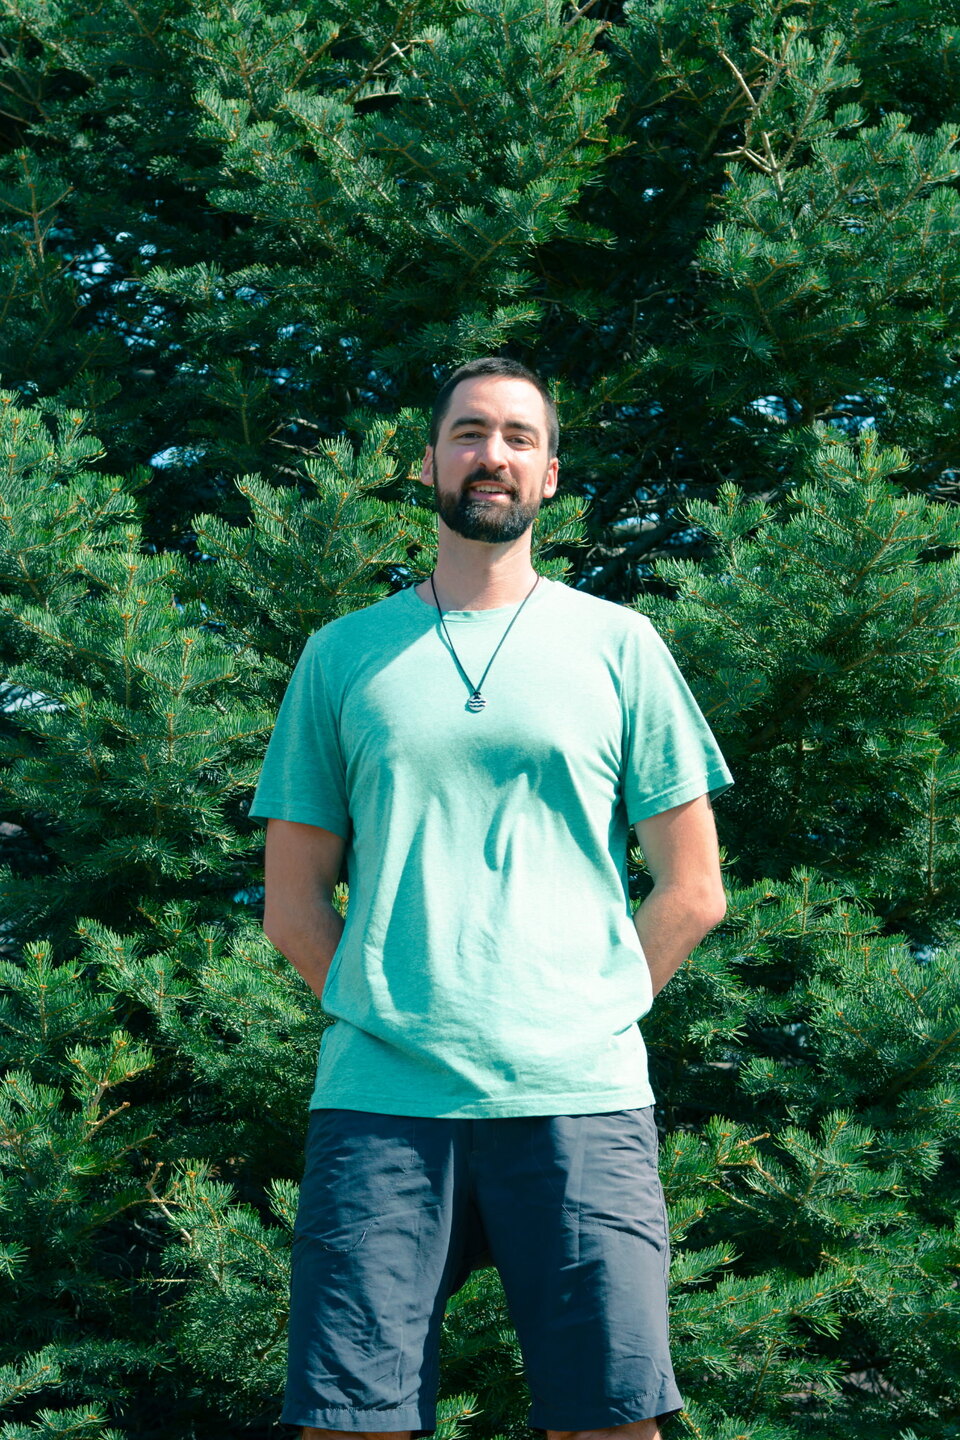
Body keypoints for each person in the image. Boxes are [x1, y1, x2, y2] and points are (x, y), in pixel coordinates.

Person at [251, 356, 733, 1440]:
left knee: (609, 1423)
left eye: (519, 437)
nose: (493, 454)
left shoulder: (620, 646)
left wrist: (586, 1011)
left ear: (551, 475)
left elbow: (693, 888)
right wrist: (398, 1010)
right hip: (382, 1104)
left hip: (580, 1097)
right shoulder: (343, 658)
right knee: (348, 1425)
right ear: (429, 462)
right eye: (469, 432)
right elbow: (292, 905)